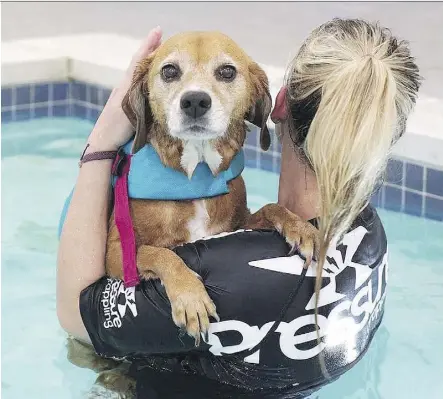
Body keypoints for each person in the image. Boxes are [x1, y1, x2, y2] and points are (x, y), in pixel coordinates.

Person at [57, 19, 421, 398]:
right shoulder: (370, 234)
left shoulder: (223, 279)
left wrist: (100, 142)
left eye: (226, 74)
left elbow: (76, 316)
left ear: (274, 103)